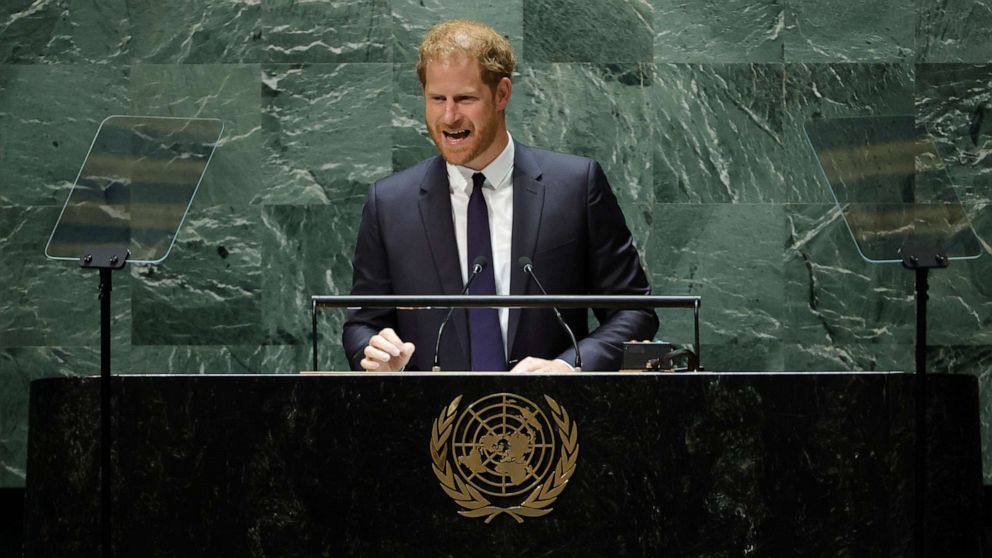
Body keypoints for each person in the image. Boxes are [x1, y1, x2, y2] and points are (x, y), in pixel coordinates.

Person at [342, 19, 657, 372]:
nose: (448, 116)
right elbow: (362, 324)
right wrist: (376, 354)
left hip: (554, 417)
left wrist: (569, 367)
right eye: (436, 99)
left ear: (502, 94)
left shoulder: (575, 186)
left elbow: (634, 311)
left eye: (464, 98)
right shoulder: (389, 203)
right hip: (432, 420)